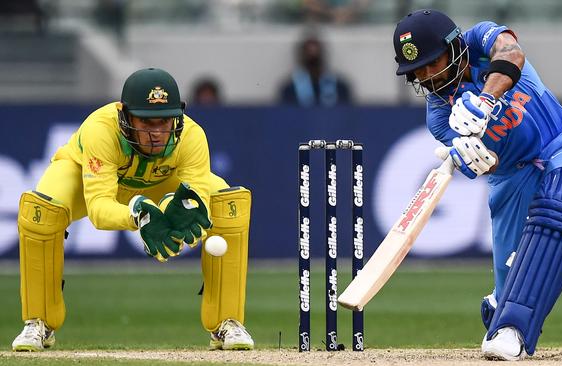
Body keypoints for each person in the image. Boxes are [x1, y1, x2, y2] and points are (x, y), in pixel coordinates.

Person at [392, 10, 562, 361]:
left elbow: (512, 54)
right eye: (418, 71)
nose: (428, 76)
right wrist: (473, 153)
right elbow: (493, 164)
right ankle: (501, 305)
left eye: (432, 62)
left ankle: (512, 329)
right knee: (512, 285)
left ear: (453, 45)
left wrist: (484, 101)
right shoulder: (439, 116)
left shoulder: (481, 38)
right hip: (511, 181)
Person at [11, 68, 254, 352]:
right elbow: (100, 209)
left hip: (162, 181)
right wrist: (138, 215)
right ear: (125, 115)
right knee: (41, 211)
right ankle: (39, 322)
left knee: (228, 205)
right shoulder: (101, 129)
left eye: (164, 122)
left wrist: (172, 219)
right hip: (81, 177)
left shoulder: (192, 136)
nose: (156, 133)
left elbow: (194, 205)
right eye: (147, 122)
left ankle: (227, 322)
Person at [279, 35, 352, 106]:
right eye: (308, 54)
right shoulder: (290, 89)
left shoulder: (339, 87)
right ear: (301, 56)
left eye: (316, 57)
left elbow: (348, 112)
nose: (312, 55)